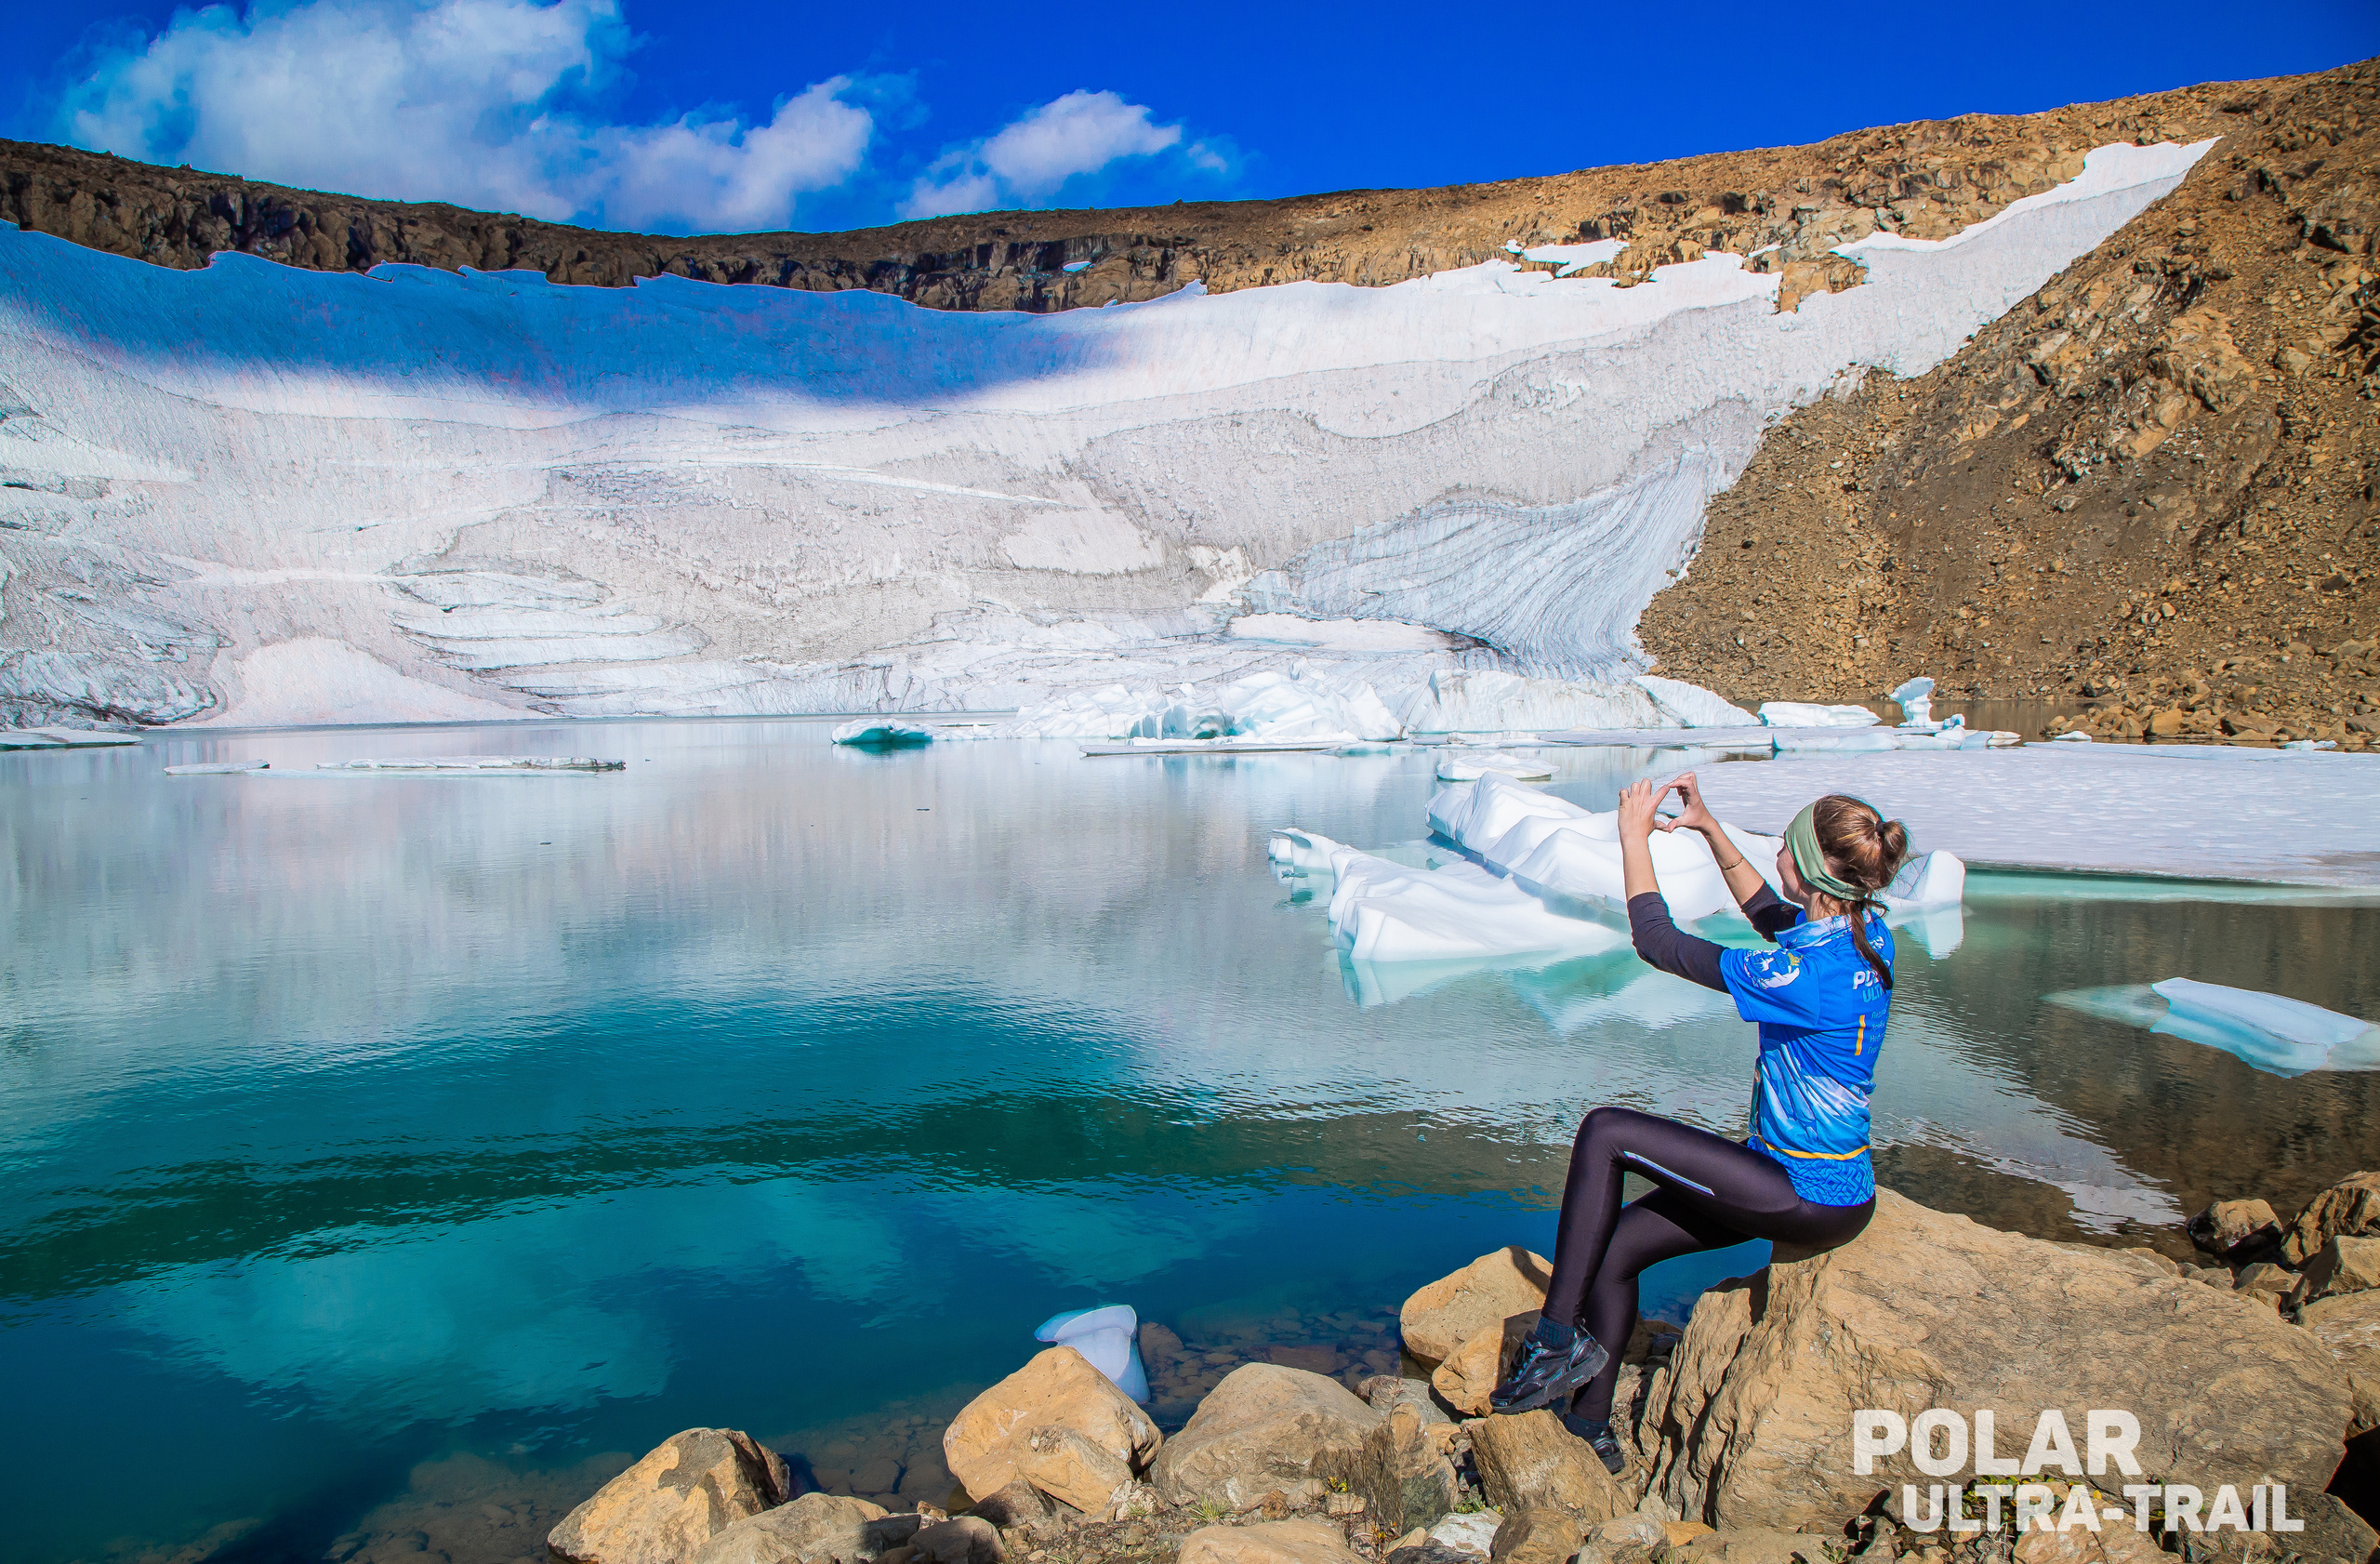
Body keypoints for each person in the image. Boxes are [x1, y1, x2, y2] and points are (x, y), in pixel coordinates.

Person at [1487, 772, 1909, 1474]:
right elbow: (1771, 913)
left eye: (1786, 842)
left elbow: (1657, 942)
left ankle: (1554, 1340)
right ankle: (1592, 1427)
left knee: (1605, 1130)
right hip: (1818, 1184)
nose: (1775, 846)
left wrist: (1631, 838)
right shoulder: (1866, 935)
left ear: (1807, 870)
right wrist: (1710, 829)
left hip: (1800, 1193)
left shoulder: (1799, 980)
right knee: (1616, 1249)